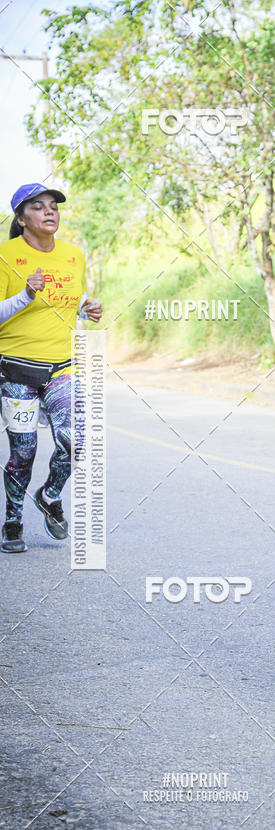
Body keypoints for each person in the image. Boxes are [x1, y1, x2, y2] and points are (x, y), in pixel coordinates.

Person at [0, 183, 103, 553]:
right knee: (23, 452)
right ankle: (13, 521)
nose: (49, 212)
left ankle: (50, 494)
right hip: (17, 371)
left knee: (77, 440)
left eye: (53, 206)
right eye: (38, 206)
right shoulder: (5, 255)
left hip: (63, 366)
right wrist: (25, 295)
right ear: (21, 219)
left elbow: (68, 299)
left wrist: (86, 308)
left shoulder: (73, 255)